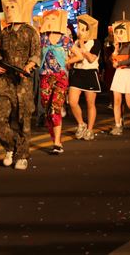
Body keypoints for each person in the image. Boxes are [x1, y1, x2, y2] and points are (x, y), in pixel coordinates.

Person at [0, 0, 40, 171]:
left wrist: (28, 66)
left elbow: (36, 54)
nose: (9, 10)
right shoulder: (4, 33)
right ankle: (12, 146)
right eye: (7, 7)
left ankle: (22, 155)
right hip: (5, 79)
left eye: (13, 7)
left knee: (23, 117)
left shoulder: (31, 31)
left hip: (23, 80)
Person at [38, 10, 82, 154]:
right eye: (48, 18)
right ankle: (55, 137)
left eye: (53, 18)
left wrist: (67, 61)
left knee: (55, 108)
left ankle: (57, 143)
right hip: (45, 77)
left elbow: (79, 55)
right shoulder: (42, 38)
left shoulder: (65, 39)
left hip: (60, 77)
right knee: (47, 109)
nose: (50, 20)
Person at [68, 15, 102, 140]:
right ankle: (81, 124)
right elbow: (71, 57)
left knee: (90, 103)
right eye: (79, 29)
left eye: (83, 29)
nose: (80, 32)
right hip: (77, 73)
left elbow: (91, 59)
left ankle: (90, 129)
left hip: (90, 73)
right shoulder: (75, 43)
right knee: (72, 101)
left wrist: (82, 45)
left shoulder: (95, 42)